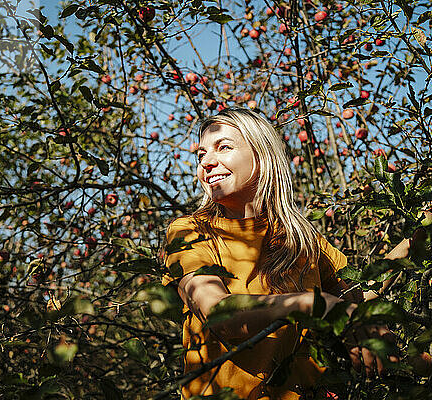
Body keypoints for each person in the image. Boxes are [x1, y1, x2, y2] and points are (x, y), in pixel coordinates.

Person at [162, 107, 409, 399]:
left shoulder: (300, 238)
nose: (207, 162)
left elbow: (356, 295)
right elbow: (218, 314)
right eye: (201, 154)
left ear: (262, 155)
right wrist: (310, 304)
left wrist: (413, 245)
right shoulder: (190, 231)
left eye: (223, 148)